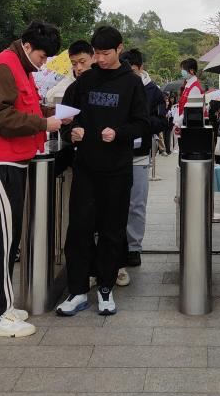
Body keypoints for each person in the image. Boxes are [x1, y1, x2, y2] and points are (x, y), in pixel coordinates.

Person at [0, 21, 69, 337]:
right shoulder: (5, 66)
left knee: (6, 238)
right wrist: (43, 124)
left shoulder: (21, 68)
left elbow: (23, 107)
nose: (43, 63)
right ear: (27, 47)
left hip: (11, 160)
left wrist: (50, 114)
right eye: (42, 56)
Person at [56, 26, 150, 318]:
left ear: (119, 49)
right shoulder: (85, 81)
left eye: (105, 54)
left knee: (112, 230)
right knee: (78, 230)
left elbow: (143, 123)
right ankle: (77, 291)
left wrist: (119, 133)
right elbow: (65, 117)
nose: (100, 59)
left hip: (117, 170)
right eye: (96, 53)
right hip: (85, 169)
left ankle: (106, 288)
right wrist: (72, 131)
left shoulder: (132, 83)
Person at [119, 48, 168, 274]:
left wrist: (142, 124)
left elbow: (162, 121)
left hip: (139, 155)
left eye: (132, 70)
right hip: (116, 153)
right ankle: (116, 245)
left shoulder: (153, 92)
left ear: (140, 68)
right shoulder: (117, 85)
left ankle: (134, 247)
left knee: (136, 204)